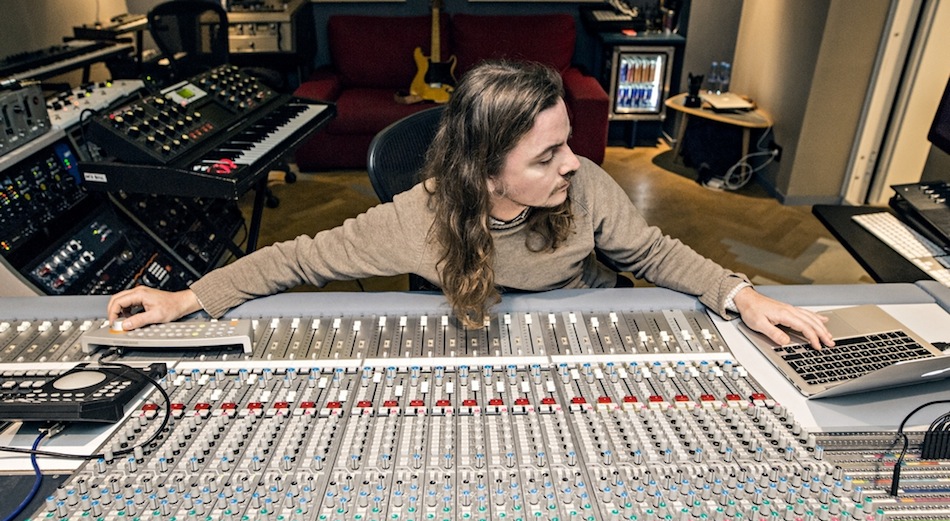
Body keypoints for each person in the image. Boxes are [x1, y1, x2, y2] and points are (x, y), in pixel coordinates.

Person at [108, 59, 833, 350]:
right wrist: (187, 299)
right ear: (485, 173)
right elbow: (296, 260)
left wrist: (741, 295)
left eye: (566, 143)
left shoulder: (585, 185)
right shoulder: (414, 220)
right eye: (546, 156)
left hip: (585, 320)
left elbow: (652, 252)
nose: (572, 163)